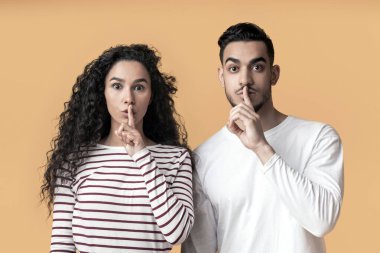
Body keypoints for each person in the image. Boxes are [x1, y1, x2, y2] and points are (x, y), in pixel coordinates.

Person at [182, 22, 344, 253]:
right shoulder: (203, 157)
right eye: (233, 69)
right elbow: (200, 247)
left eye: (257, 67)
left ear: (274, 74)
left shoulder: (318, 137)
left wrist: (261, 147)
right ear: (221, 76)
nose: (245, 80)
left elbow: (321, 220)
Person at [41, 44, 194, 253]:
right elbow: (61, 247)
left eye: (139, 87)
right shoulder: (73, 162)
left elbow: (178, 234)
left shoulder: (176, 159)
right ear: (102, 93)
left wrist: (142, 155)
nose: (128, 98)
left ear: (151, 96)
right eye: (117, 86)